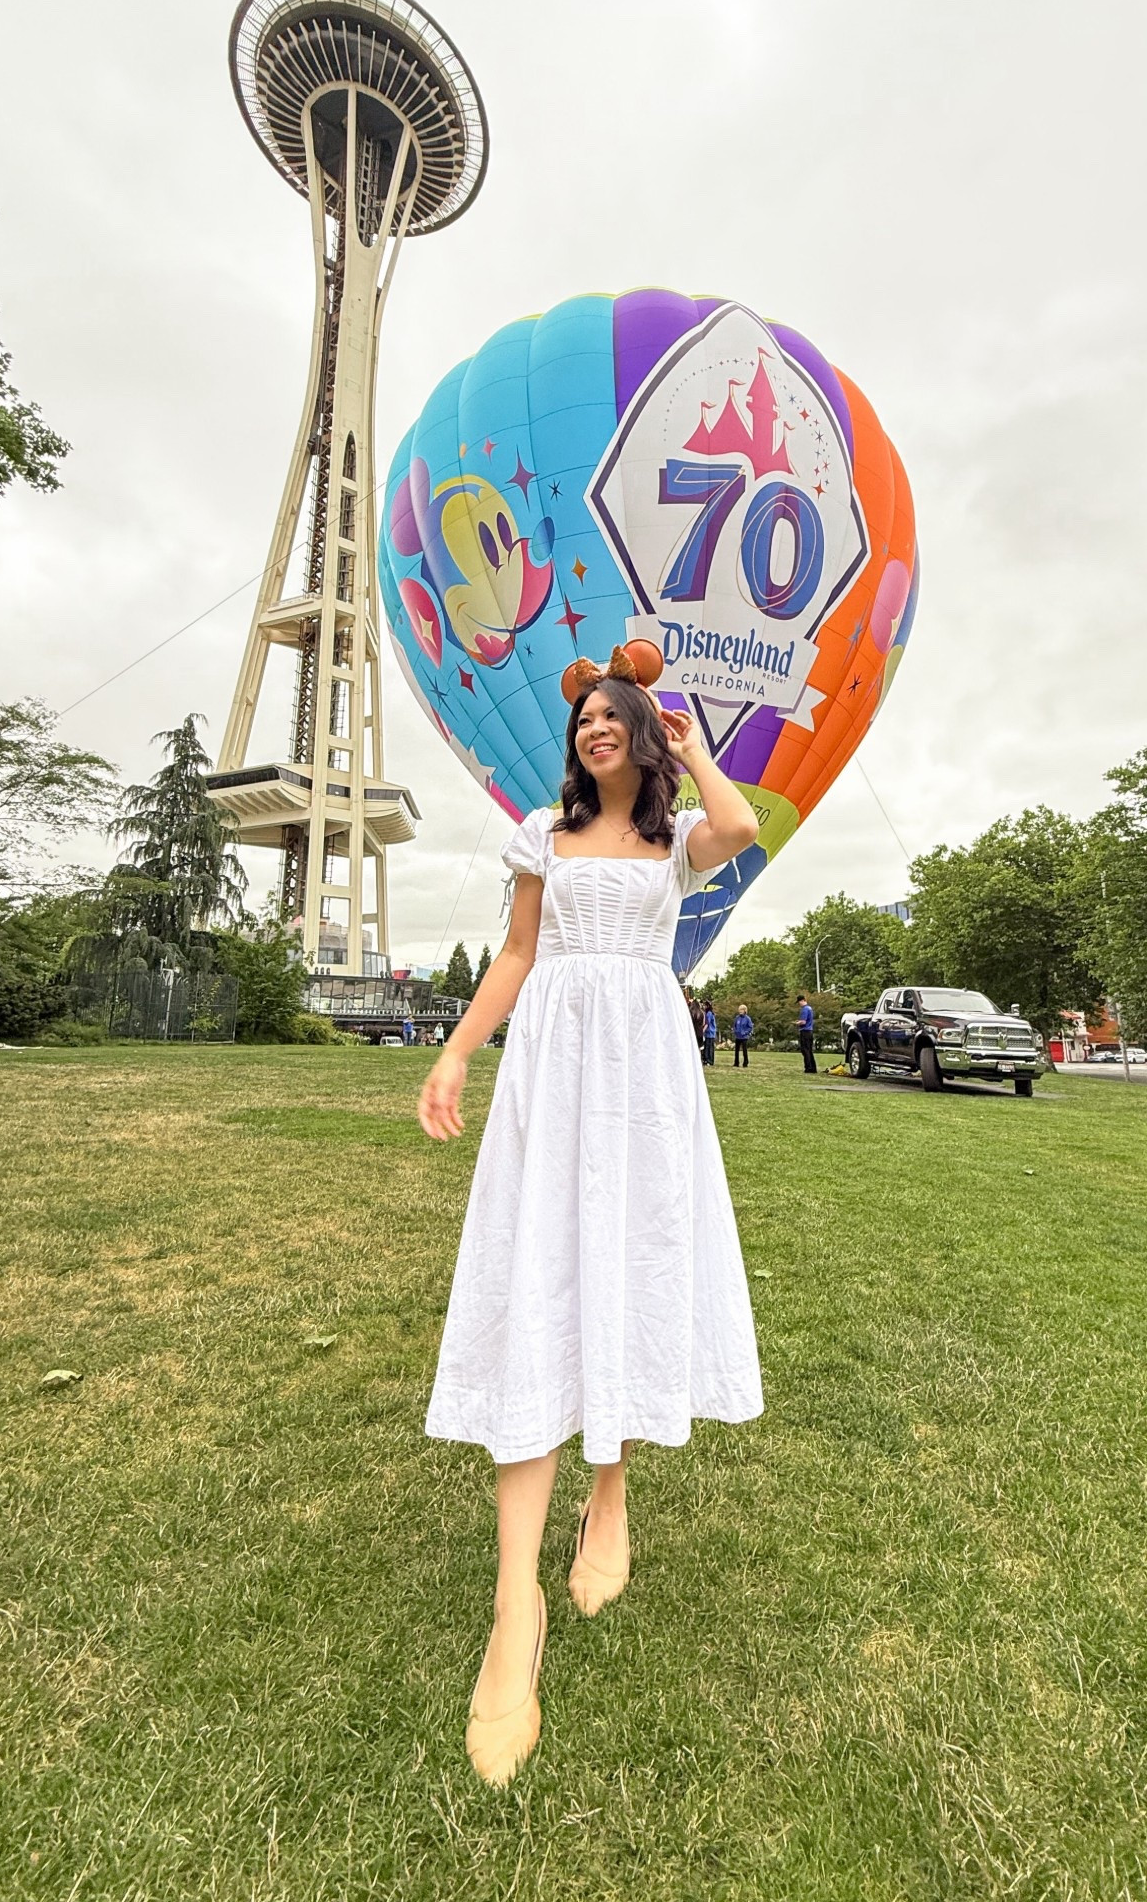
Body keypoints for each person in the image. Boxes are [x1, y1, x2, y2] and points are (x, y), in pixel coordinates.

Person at [418, 640, 763, 1787]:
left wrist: (696, 740)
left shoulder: (675, 840)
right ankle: (514, 1612)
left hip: (648, 1080)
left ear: (645, 735)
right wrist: (458, 1053)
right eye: (586, 723)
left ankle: (608, 1494)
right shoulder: (543, 834)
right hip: (553, 1072)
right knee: (540, 1282)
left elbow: (746, 826)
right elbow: (519, 952)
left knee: (633, 1266)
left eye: (616, 719)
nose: (594, 731)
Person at [797, 991, 817, 1073]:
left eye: (799, 1002)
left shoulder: (804, 1009)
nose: (799, 1004)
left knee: (805, 1050)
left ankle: (808, 1067)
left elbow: (803, 1021)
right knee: (809, 1050)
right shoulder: (810, 1008)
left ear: (802, 1001)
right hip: (810, 1031)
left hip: (805, 1031)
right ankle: (813, 1067)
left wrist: (798, 1023)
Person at [733, 1004, 754, 1068]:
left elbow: (750, 1027)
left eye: (741, 1010)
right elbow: (734, 1025)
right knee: (736, 1051)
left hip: (744, 1037)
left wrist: (745, 1033)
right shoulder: (737, 1018)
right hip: (737, 1036)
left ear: (745, 1010)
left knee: (744, 1050)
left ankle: (745, 1063)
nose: (740, 1011)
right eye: (739, 1010)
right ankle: (736, 1063)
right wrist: (735, 1031)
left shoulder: (747, 1018)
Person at [702, 1000, 718, 1067]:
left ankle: (709, 1060)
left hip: (710, 1033)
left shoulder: (709, 1013)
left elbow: (707, 1023)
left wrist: (703, 1030)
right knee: (707, 1047)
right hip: (709, 1033)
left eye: (705, 1005)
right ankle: (707, 1060)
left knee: (709, 1047)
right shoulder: (709, 1013)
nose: (704, 1006)